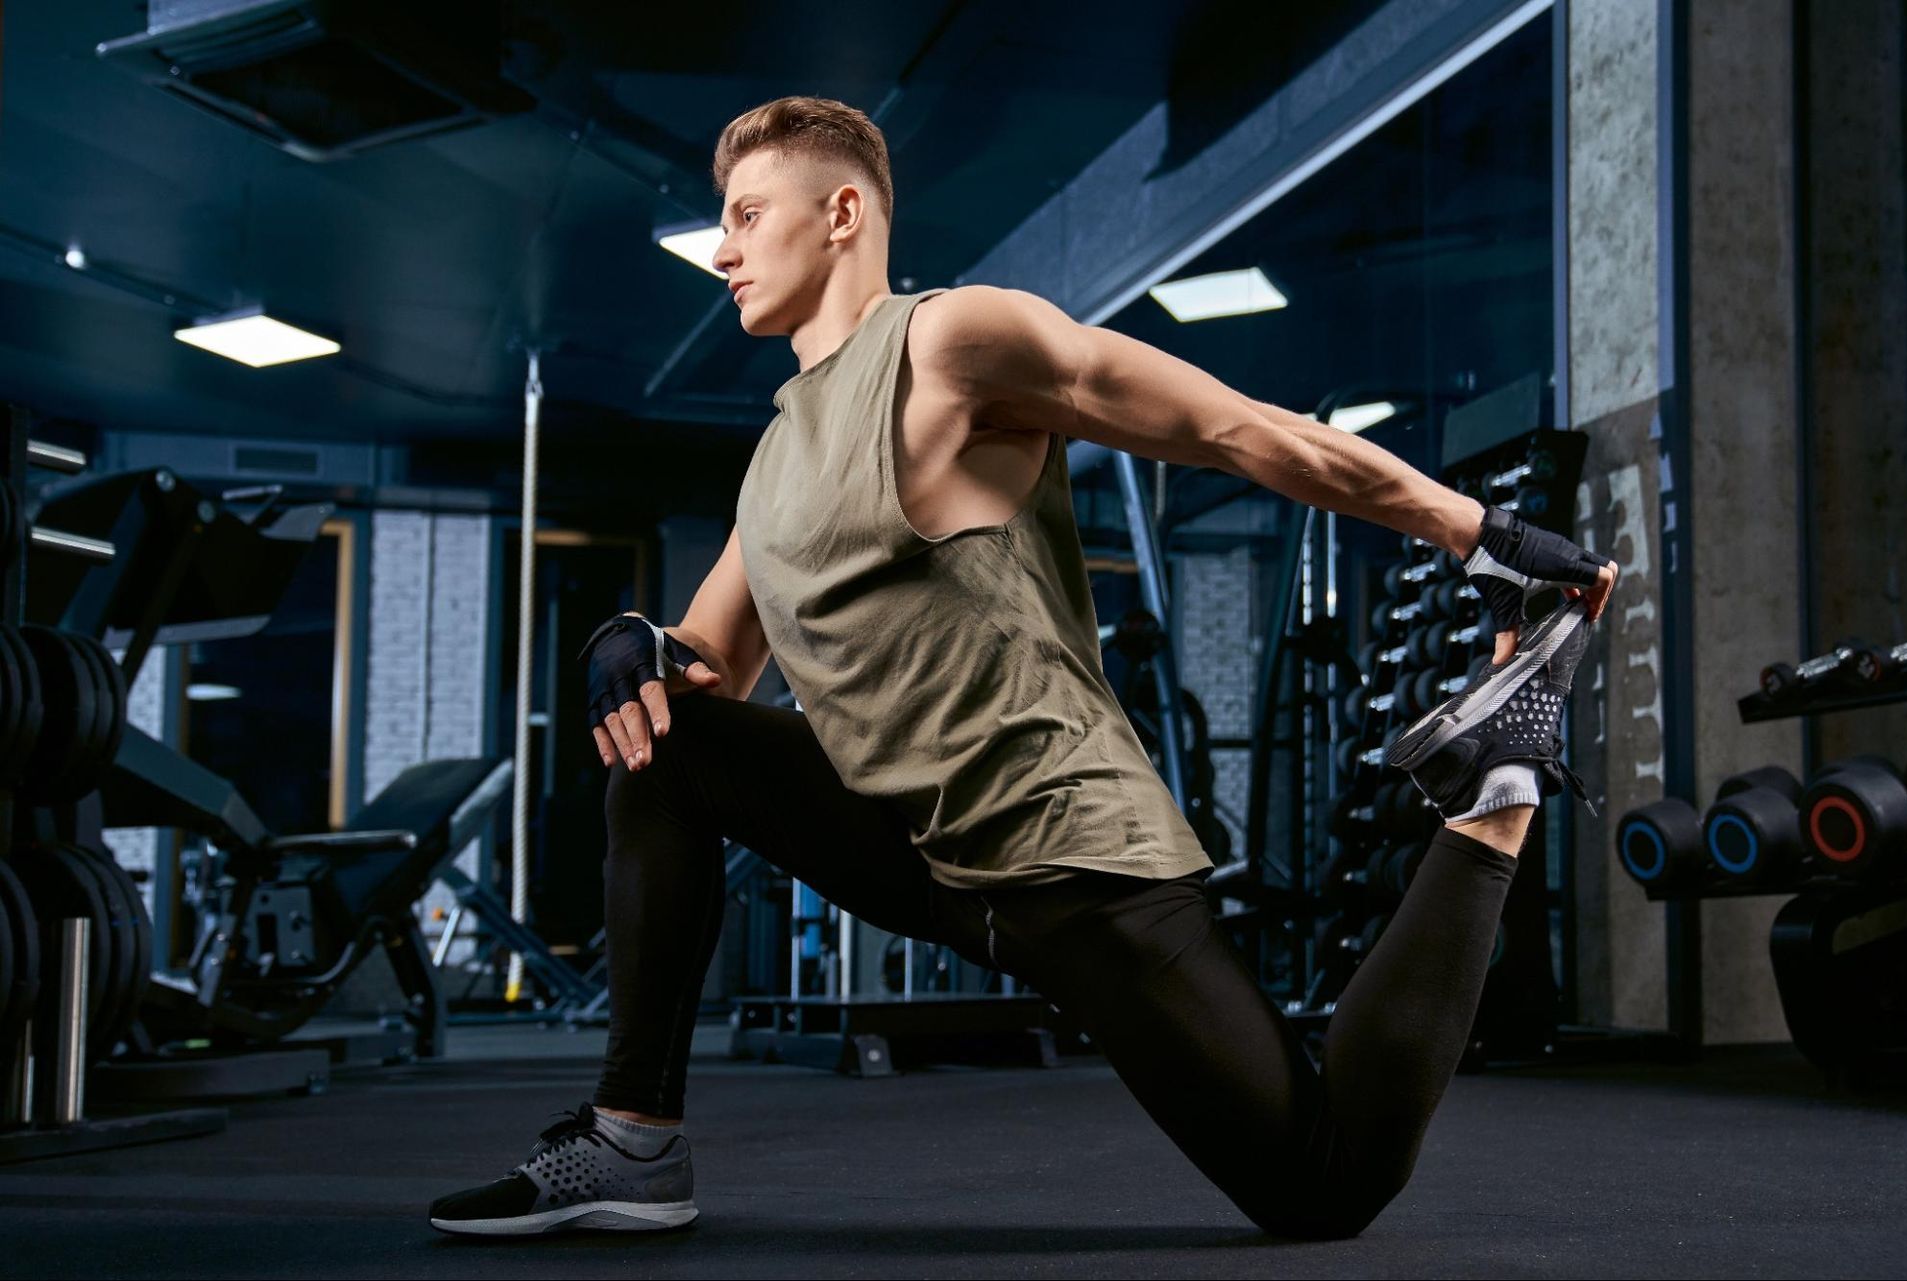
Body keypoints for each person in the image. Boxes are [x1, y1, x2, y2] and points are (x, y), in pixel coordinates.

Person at [429, 95, 1616, 1240]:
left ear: (843, 213)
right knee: (665, 743)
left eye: (747, 213)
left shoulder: (952, 342)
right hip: (911, 843)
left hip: (1060, 850)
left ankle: (1494, 796)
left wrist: (1479, 533)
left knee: (1321, 1187)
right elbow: (705, 673)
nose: (724, 249)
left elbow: (1238, 429)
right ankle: (635, 1142)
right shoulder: (777, 453)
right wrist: (626, 645)